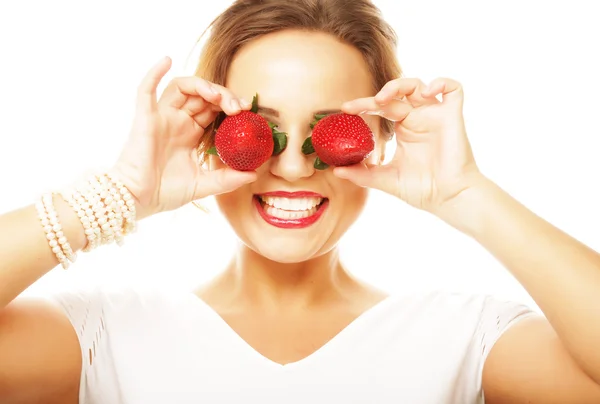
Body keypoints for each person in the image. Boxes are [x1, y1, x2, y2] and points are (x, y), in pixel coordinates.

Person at [0, 0, 599, 403]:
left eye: (330, 133)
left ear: (383, 139)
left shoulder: (468, 335)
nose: (290, 167)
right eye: (258, 130)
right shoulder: (102, 333)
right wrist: (116, 194)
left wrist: (468, 194)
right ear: (208, 138)